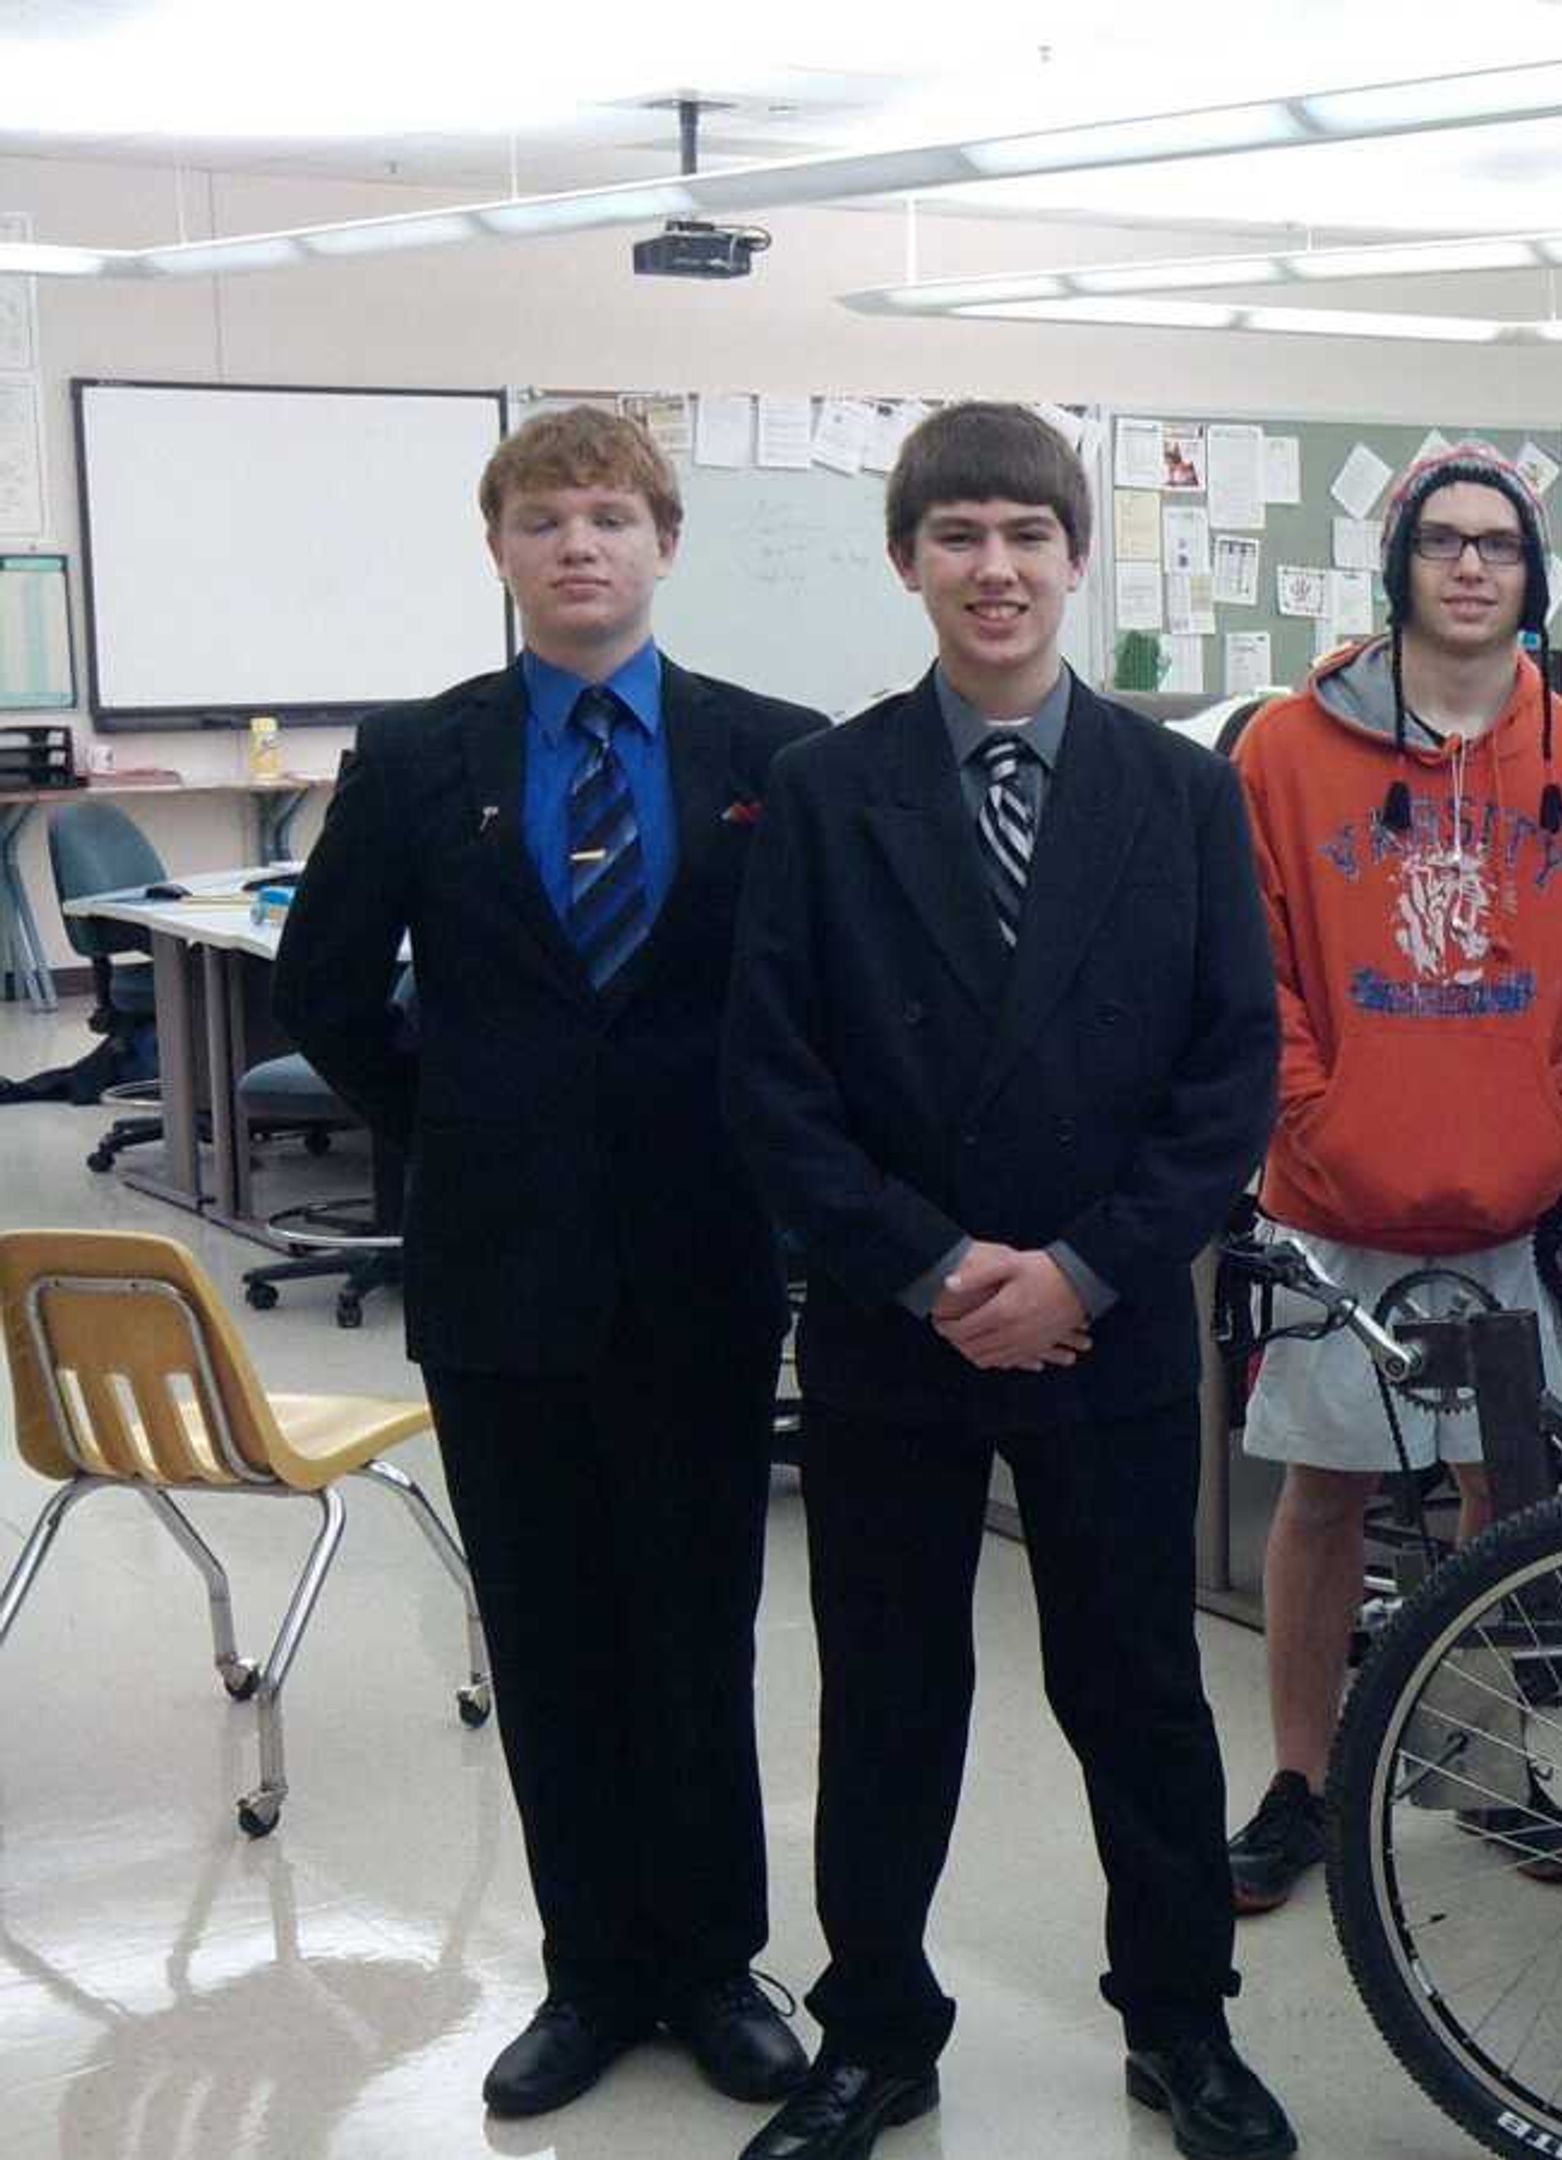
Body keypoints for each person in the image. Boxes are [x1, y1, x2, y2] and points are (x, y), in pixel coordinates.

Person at [720, 402, 1291, 2160]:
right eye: (958, 536)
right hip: (899, 1330)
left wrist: (1088, 1269)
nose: (995, 570)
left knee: (1138, 1691)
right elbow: (772, 1077)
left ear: (1074, 558)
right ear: (908, 561)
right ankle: (876, 2031)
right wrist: (927, 1260)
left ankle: (1181, 2024)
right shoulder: (826, 793)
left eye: (1027, 537)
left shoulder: (1183, 791)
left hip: (1105, 1330)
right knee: (886, 1692)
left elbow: (1230, 1074)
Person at [274, 404, 819, 2122]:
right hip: (500, 1265)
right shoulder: (422, 756)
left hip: (701, 1261)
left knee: (695, 1622)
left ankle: (715, 1965)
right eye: (543, 521)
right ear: (499, 553)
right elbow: (326, 989)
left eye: (609, 516)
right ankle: (592, 1973)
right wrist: (465, 1122)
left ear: (664, 542)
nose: (579, 546)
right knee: (549, 1627)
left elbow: (809, 1007)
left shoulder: (773, 754)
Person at [1221, 444, 1562, 1912]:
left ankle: (1483, 1767)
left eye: (1502, 548)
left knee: (1501, 1498)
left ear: (1533, 583)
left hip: (1510, 1203)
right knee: (1322, 1494)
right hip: (1334, 1203)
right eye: (1443, 543)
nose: (1472, 568)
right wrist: (1314, 1115)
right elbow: (1252, 970)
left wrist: (1553, 1131)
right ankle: (1303, 1779)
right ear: (1397, 564)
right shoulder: (1283, 754)